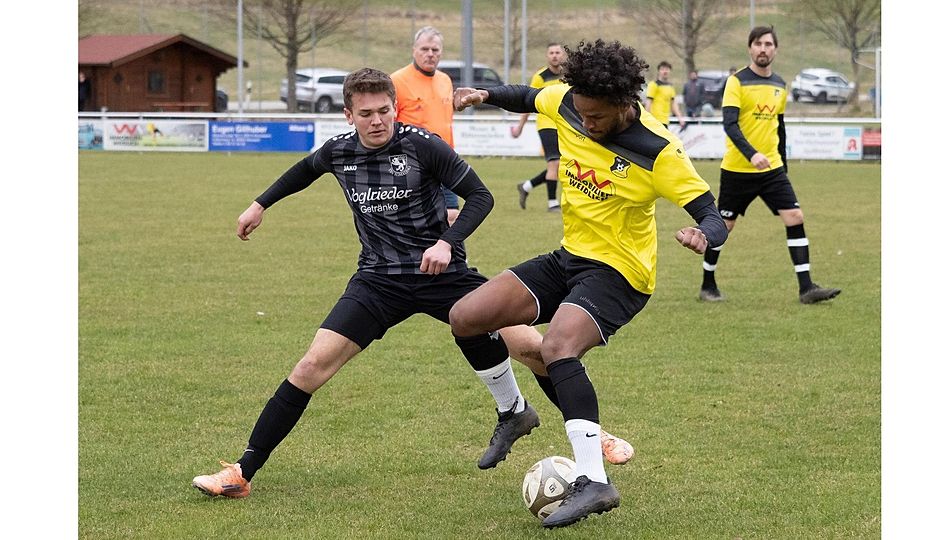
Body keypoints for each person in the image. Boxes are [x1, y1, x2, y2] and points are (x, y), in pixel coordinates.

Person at [191, 68, 632, 500]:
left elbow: (481, 197)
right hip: (377, 282)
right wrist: (259, 204)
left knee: (536, 350)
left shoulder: (424, 146)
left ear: (395, 108)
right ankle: (241, 473)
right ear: (349, 115)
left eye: (385, 110)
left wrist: (447, 242)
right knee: (310, 368)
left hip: (446, 277)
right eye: (366, 114)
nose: (377, 120)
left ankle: (595, 439)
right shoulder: (338, 152)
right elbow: (302, 172)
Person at [450, 39, 728, 528]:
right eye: (580, 113)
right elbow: (529, 97)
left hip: (621, 274)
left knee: (558, 347)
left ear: (624, 105)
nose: (585, 124)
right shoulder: (569, 101)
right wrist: (485, 95)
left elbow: (711, 211)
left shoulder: (658, 150)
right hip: (570, 257)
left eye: (596, 117)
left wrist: (702, 233)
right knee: (466, 317)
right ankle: (514, 412)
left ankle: (595, 480)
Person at [698, 26, 840, 305]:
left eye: (768, 44)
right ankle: (708, 284)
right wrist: (751, 154)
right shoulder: (736, 82)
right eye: (758, 44)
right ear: (750, 48)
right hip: (738, 170)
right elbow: (730, 124)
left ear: (775, 49)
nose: (763, 48)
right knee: (723, 226)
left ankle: (806, 288)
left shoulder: (780, 85)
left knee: (795, 217)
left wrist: (782, 165)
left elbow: (780, 128)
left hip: (772, 170)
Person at [391, 26, 461, 226]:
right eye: (424, 49)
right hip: (411, 162)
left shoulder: (445, 80)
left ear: (441, 52)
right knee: (415, 218)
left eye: (435, 50)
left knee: (452, 214)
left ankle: (454, 257)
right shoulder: (397, 80)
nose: (430, 54)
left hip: (444, 159)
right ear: (414, 50)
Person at [511, 43, 567, 212]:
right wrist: (520, 127)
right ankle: (552, 204)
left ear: (563, 55)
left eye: (558, 52)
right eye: (551, 52)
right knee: (555, 162)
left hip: (563, 124)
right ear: (547, 56)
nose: (555, 56)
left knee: (561, 164)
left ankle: (527, 186)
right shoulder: (540, 77)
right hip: (546, 124)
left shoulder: (568, 75)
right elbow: (528, 102)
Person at [644, 61, 685, 130]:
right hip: (655, 121)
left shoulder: (670, 87)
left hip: (665, 121)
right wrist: (646, 119)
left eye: (667, 69)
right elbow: (648, 102)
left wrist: (680, 118)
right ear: (659, 71)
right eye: (662, 69)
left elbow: (674, 104)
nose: (665, 71)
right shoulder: (653, 85)